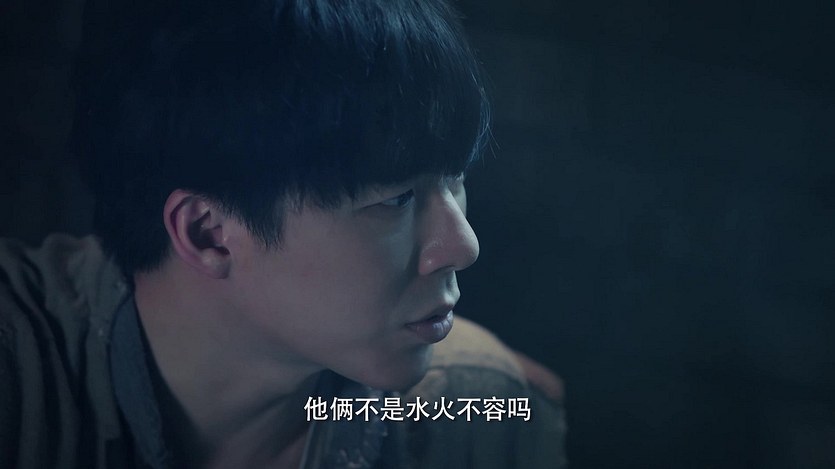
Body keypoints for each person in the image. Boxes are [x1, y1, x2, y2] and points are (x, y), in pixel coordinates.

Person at [0, 0, 566, 467]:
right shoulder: (21, 381)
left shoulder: (472, 409)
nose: (463, 245)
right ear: (208, 233)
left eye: (456, 180)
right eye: (395, 199)